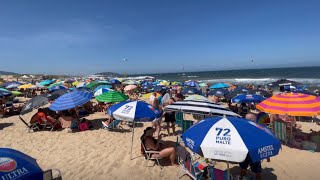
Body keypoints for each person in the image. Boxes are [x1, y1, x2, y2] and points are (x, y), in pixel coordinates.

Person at [240, 113, 270, 180]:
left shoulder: (241, 128)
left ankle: (242, 178)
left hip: (244, 151)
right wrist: (267, 156)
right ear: (253, 120)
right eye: (255, 119)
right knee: (257, 171)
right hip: (255, 152)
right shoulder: (258, 129)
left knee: (243, 168)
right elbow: (263, 143)